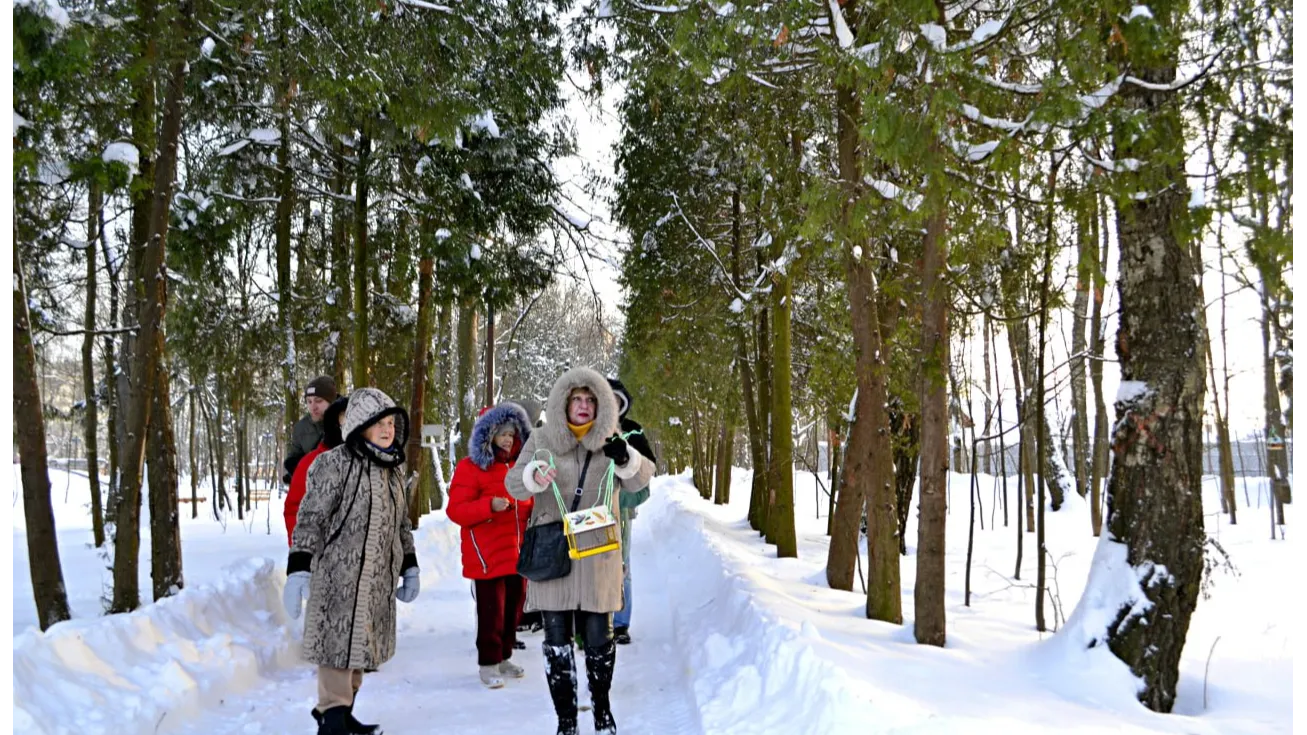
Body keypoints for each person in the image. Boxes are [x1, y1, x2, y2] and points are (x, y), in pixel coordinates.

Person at [506, 367, 654, 735]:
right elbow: (514, 484)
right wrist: (532, 476)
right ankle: (566, 720)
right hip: (554, 553)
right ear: (563, 403)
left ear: (601, 404)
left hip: (598, 553)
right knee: (556, 641)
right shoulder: (541, 438)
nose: (584, 406)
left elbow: (642, 477)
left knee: (600, 637)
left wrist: (626, 459)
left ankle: (602, 711)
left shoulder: (612, 437)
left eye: (590, 400)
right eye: (577, 400)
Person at [283, 388, 420, 735]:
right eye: (379, 423)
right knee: (336, 650)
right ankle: (332, 718)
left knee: (358, 652)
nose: (387, 429)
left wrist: (410, 565)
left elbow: (400, 524)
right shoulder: (334, 463)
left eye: (391, 422)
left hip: (376, 582)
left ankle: (341, 714)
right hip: (337, 579)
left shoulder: (393, 469)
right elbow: (310, 517)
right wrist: (299, 565)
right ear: (360, 425)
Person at [446, 402, 535, 689]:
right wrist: (489, 506)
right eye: (502, 433)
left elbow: (532, 502)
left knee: (514, 609)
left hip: (517, 553)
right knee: (491, 612)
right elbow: (456, 510)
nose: (508, 439)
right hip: (486, 555)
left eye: (512, 433)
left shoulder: (522, 468)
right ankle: (488, 663)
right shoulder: (470, 468)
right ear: (488, 435)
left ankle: (505, 656)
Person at [606, 378, 656, 646]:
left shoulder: (632, 431)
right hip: (593, 508)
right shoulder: (587, 431)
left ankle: (621, 622)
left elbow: (648, 465)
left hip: (623, 504)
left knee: (622, 561)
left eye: (616, 402)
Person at [284, 395, 349, 546]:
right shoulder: (310, 462)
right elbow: (294, 509)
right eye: (344, 420)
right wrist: (301, 553)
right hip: (320, 558)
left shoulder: (369, 462)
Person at [283, 376, 338, 485]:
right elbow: (294, 456)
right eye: (309, 401)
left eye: (318, 401)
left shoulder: (346, 422)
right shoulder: (301, 428)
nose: (313, 407)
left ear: (331, 402)